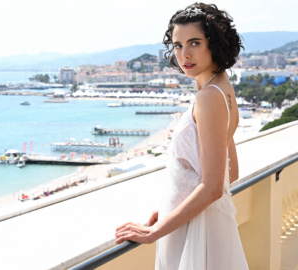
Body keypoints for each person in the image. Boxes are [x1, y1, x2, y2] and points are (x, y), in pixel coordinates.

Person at [115, 3, 249, 269]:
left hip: (196, 232)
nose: (184, 54)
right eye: (177, 45)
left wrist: (155, 231)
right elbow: (230, 173)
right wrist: (170, 207)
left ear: (215, 44)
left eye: (194, 42)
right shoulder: (223, 88)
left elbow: (212, 187)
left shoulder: (209, 97)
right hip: (200, 224)